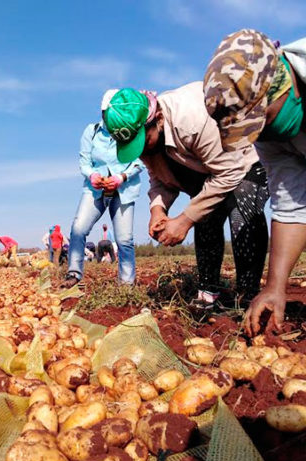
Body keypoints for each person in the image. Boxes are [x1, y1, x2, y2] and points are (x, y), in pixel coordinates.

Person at [203, 4, 306, 333]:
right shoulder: (265, 133)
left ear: (281, 80)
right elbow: (291, 205)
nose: (261, 134)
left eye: (261, 119)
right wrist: (274, 288)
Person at [104, 86, 267, 309]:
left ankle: (249, 297)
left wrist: (184, 220)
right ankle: (209, 294)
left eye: (143, 141)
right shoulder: (147, 140)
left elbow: (230, 172)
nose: (141, 151)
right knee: (204, 212)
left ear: (158, 118)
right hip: (213, 167)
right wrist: (158, 209)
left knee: (242, 207)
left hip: (245, 158)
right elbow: (159, 177)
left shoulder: (193, 119)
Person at [64, 89, 145, 287]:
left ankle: (126, 284)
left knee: (125, 239)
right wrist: (92, 175)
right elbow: (84, 161)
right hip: (95, 190)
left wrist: (121, 177)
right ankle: (74, 275)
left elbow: (140, 161)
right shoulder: (91, 132)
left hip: (123, 191)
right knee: (78, 229)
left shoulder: (132, 132)